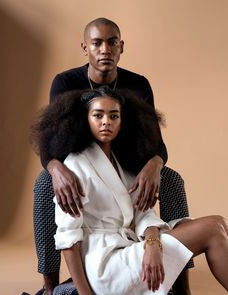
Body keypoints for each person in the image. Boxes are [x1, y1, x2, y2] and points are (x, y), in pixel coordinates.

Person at [33, 17, 192, 294]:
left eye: (112, 42)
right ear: (86, 48)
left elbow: (157, 143)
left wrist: (155, 164)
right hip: (82, 159)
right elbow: (50, 140)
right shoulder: (66, 82)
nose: (105, 49)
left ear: (121, 47)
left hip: (129, 159)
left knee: (173, 180)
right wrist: (56, 169)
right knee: (45, 184)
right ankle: (49, 284)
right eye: (97, 43)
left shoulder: (138, 84)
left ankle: (179, 283)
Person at [31, 86, 228, 295]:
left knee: (219, 224)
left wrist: (152, 245)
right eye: (97, 115)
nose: (106, 121)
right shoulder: (74, 166)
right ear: (84, 120)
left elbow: (144, 213)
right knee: (214, 227)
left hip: (130, 248)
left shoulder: (123, 162)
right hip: (105, 266)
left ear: (122, 122)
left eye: (113, 116)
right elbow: (68, 241)